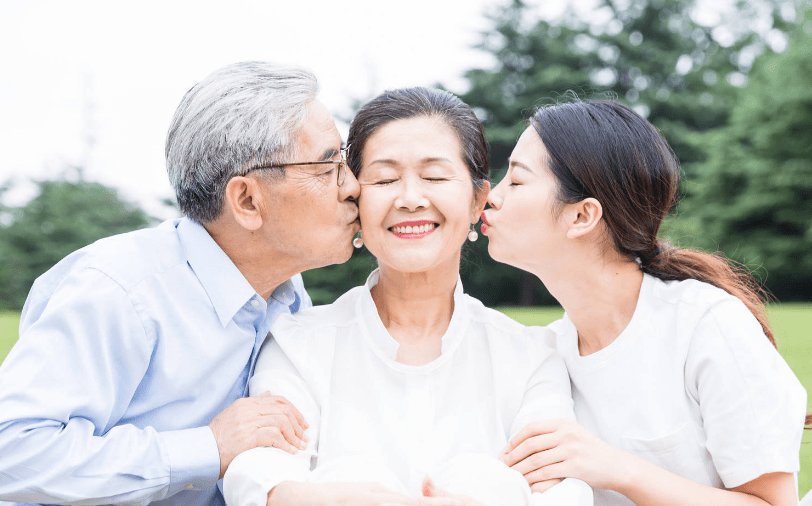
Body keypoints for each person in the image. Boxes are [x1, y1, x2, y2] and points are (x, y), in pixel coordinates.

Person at [0, 61, 361, 506]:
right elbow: (12, 451)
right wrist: (207, 448)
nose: (353, 186)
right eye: (328, 167)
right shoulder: (119, 290)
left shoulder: (287, 296)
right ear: (247, 200)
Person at [222, 87, 594, 506]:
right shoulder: (298, 342)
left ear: (477, 200)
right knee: (349, 477)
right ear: (355, 201)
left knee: (485, 480)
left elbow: (563, 490)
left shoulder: (529, 355)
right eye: (384, 179)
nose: (411, 199)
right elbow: (260, 472)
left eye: (435, 177)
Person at [482, 99, 809, 506]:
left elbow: (773, 504)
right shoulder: (544, 355)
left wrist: (617, 469)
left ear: (582, 217)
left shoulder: (707, 325)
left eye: (515, 181)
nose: (491, 197)